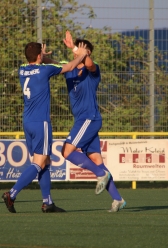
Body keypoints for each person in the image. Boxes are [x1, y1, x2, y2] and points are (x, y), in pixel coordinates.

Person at [2, 42, 88, 213]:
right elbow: (69, 66)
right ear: (39, 56)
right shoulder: (44, 70)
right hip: (41, 122)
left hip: (27, 122)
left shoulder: (22, 69)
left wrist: (43, 56)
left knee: (45, 161)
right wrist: (82, 54)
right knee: (39, 163)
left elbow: (39, 63)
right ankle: (11, 194)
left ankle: (47, 202)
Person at [61, 31, 126, 212]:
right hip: (83, 120)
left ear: (87, 53)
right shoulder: (70, 68)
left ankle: (101, 174)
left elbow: (89, 64)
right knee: (97, 160)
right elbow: (53, 68)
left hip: (89, 119)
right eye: (76, 49)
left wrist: (78, 49)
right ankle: (118, 199)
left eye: (82, 50)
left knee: (66, 151)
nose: (77, 52)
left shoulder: (92, 70)